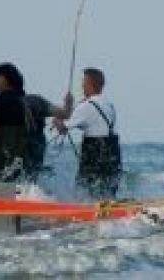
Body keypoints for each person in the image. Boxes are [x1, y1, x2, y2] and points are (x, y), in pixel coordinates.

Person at [52, 68, 122, 199]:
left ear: (89, 84)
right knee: (108, 191)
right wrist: (69, 106)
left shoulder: (86, 106)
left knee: (85, 189)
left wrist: (56, 120)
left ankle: (85, 213)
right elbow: (92, 122)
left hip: (95, 154)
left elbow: (63, 127)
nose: (82, 86)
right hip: (113, 153)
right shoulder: (109, 104)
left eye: (83, 83)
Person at [23, 92, 57, 180]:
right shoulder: (36, 100)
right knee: (32, 175)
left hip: (27, 141)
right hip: (37, 140)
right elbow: (63, 113)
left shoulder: (3, 102)